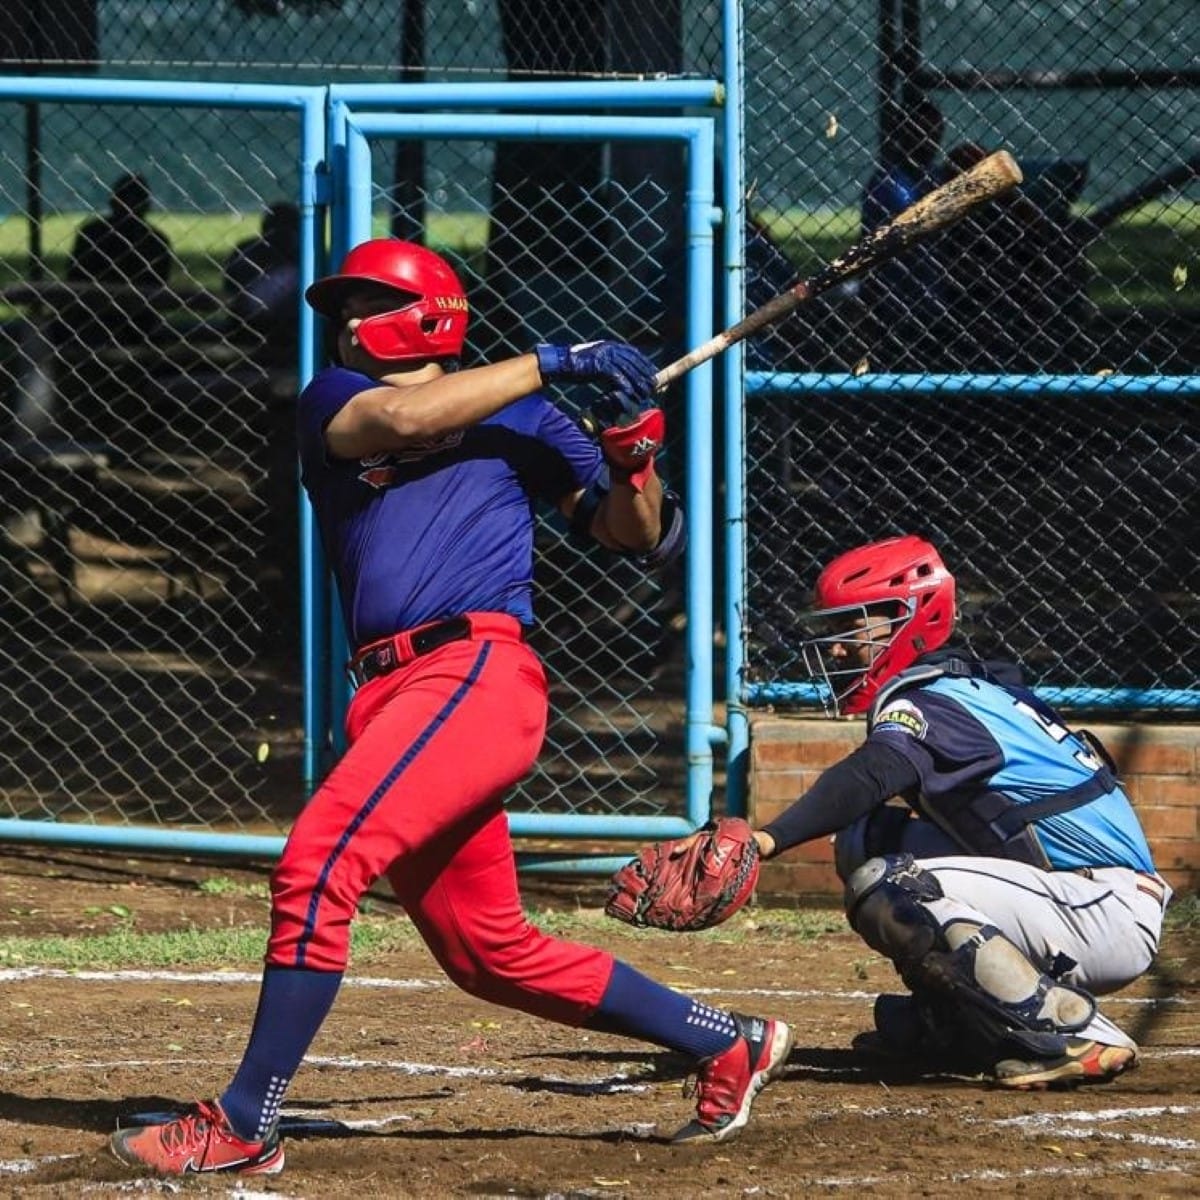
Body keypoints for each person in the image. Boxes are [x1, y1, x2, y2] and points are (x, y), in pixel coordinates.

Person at [108, 237, 793, 1176]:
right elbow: (407, 413)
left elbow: (637, 537)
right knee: (488, 953)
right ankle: (726, 1039)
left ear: (429, 312)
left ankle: (244, 1122)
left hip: (472, 677)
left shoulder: (530, 420)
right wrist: (552, 362)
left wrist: (633, 460)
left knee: (316, 871)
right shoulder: (338, 401)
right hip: (390, 695)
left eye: (365, 303)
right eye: (341, 308)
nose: (346, 322)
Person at [749, 534, 1169, 1089]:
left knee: (891, 884)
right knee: (866, 840)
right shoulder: (956, 684)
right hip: (1072, 893)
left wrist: (766, 839)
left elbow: (873, 773)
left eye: (853, 627)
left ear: (910, 620)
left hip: (1101, 909)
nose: (837, 647)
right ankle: (963, 1023)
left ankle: (1074, 1032)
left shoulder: (933, 699)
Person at [67, 173, 173, 292]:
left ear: (113, 201)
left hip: (93, 305)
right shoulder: (157, 241)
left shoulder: (92, 233)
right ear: (147, 204)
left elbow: (74, 277)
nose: (130, 205)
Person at [222, 201, 301, 354]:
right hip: (253, 326)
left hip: (251, 325)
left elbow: (229, 289)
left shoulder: (303, 253)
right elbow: (231, 290)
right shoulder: (247, 250)